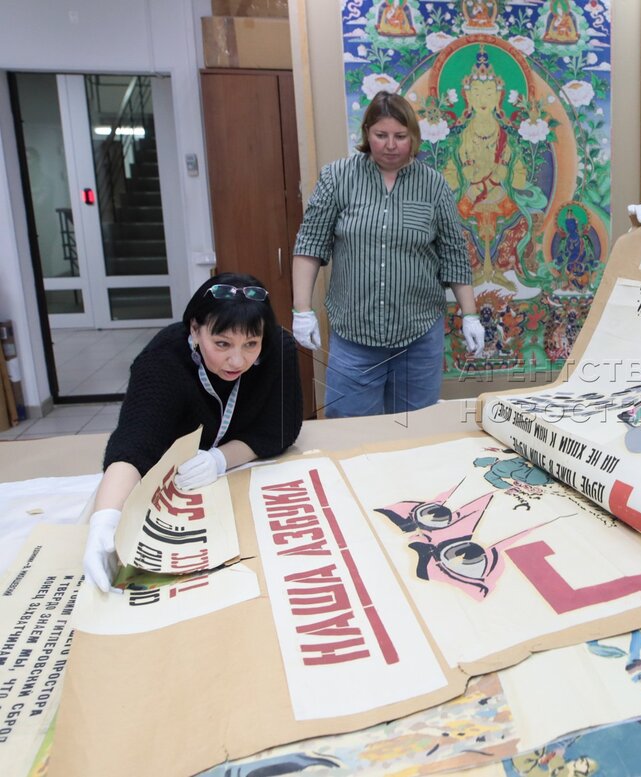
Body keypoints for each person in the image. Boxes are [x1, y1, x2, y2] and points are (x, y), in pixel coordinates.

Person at [82, 273, 304, 593]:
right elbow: (134, 443)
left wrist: (221, 458)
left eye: (251, 344)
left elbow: (281, 427)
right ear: (195, 330)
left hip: (234, 480)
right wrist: (104, 521)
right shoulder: (163, 358)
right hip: (173, 483)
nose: (237, 360)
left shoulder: (277, 348)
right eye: (222, 344)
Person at [290, 91, 485, 418]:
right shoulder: (337, 178)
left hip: (418, 338)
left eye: (400, 136)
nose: (390, 145)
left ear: (414, 137)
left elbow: (453, 255)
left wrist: (470, 315)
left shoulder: (433, 186)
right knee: (351, 433)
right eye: (381, 135)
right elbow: (310, 244)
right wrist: (302, 310)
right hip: (354, 337)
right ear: (367, 133)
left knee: (414, 430)